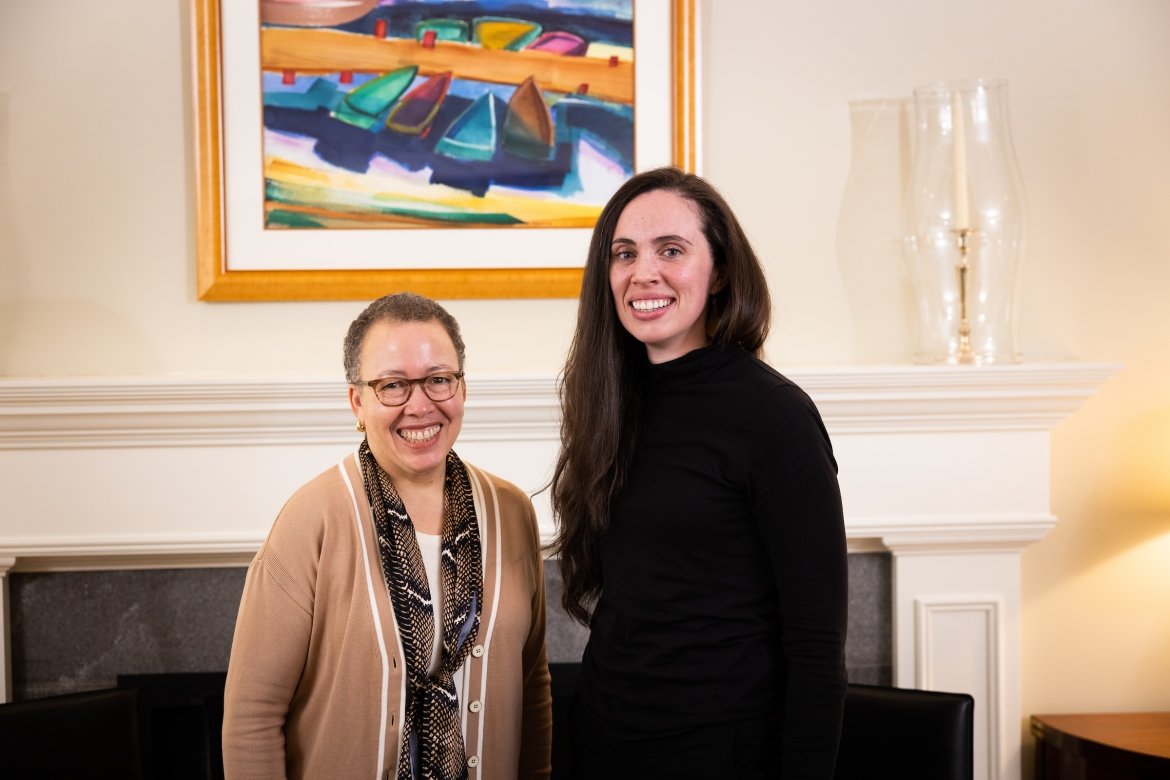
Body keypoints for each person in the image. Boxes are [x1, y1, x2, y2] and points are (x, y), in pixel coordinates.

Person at [550, 167, 848, 778]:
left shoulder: (774, 416)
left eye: (672, 251)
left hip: (723, 754)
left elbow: (817, 649)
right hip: (605, 744)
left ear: (721, 274)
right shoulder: (607, 403)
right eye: (624, 254)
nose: (643, 273)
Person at [223, 292, 552, 779]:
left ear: (462, 388)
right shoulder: (311, 520)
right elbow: (251, 719)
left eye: (439, 380)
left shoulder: (511, 514)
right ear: (357, 400)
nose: (420, 406)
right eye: (393, 386)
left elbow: (533, 688)